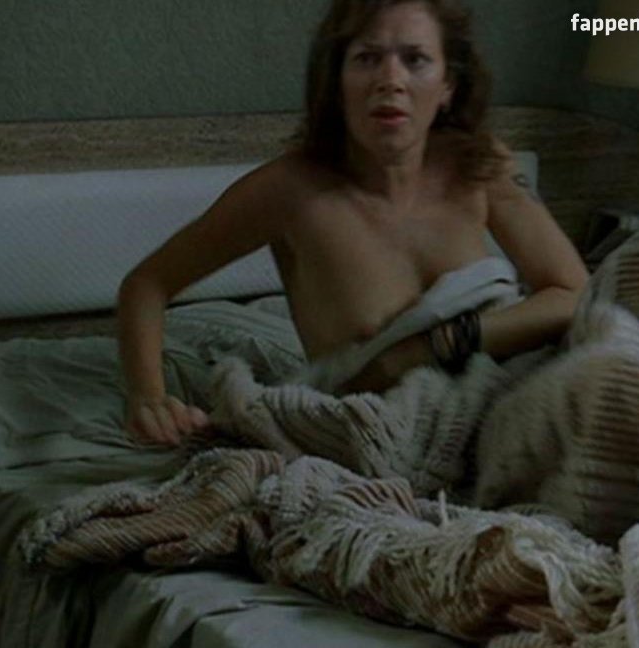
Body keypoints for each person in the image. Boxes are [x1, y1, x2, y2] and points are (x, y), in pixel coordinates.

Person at [117, 0, 588, 445]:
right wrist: (148, 397)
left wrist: (436, 345)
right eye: (367, 59)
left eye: (415, 60)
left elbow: (576, 295)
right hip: (382, 429)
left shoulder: (480, 165)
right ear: (336, 83)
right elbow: (147, 284)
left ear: (448, 85)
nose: (391, 80)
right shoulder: (289, 190)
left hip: (513, 393)